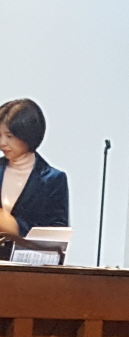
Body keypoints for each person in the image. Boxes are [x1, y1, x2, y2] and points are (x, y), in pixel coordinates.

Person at [0, 98, 69, 237]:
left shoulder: (52, 179)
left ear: (27, 135)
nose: (2, 143)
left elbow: (56, 233)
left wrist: (14, 226)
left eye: (9, 136)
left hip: (25, 251)